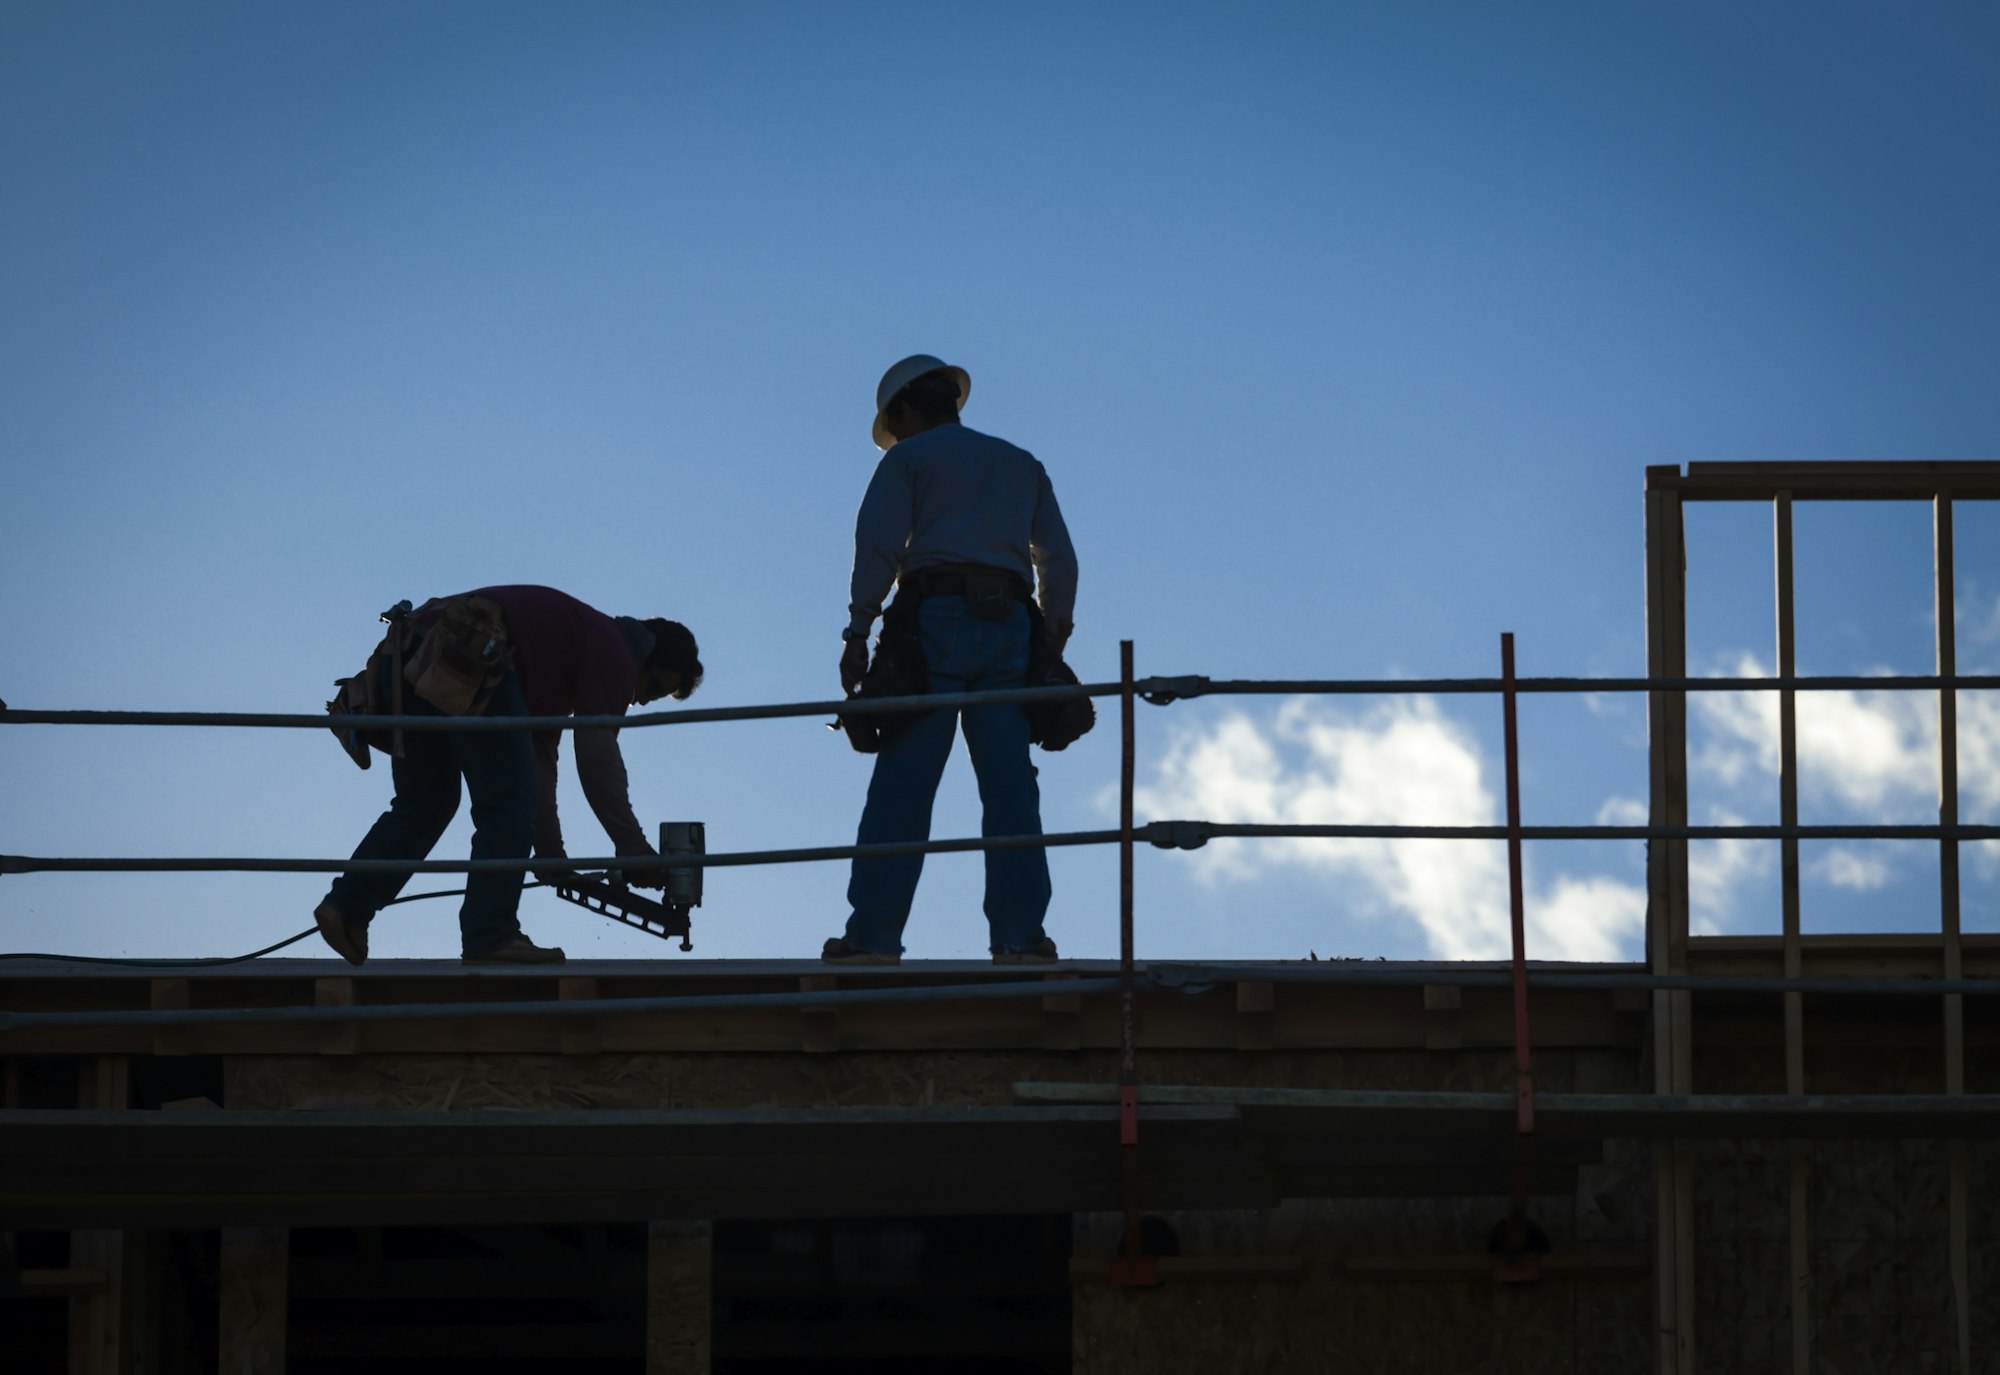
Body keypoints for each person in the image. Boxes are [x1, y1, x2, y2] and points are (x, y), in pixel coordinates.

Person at [825, 354, 1079, 965]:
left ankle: (872, 940)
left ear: (906, 409)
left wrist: (857, 633)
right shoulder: (1022, 464)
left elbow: (879, 547)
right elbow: (1060, 561)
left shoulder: (908, 459)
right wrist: (1051, 639)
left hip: (933, 621)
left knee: (904, 786)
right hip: (1011, 627)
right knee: (1011, 789)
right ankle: (1020, 940)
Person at [315, 585, 702, 965]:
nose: (637, 699)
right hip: (469, 653)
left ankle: (347, 907)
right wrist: (633, 849)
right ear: (647, 655)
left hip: (412, 655)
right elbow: (597, 757)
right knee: (507, 805)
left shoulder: (561, 659)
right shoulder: (615, 651)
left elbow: (539, 762)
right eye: (650, 686)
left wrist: (550, 855)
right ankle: (490, 935)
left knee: (426, 804)